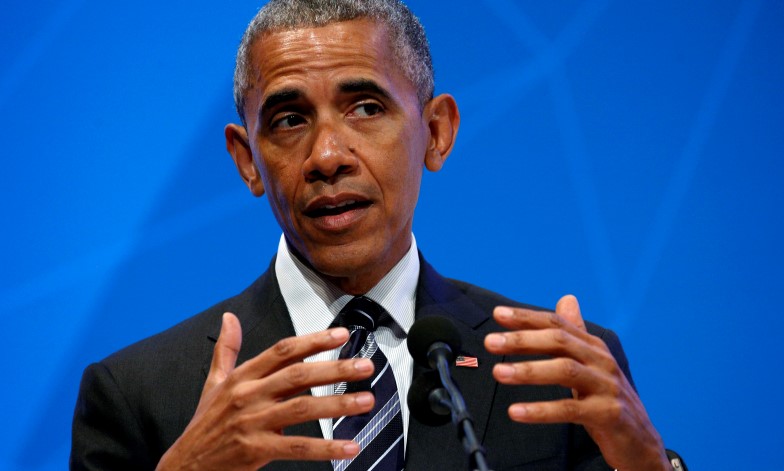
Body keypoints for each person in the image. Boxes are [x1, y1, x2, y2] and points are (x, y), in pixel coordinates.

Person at [71, 1, 681, 470]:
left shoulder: (557, 369)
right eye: (288, 120)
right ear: (247, 159)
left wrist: (652, 465)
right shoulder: (139, 394)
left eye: (365, 107)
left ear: (437, 132)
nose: (328, 155)